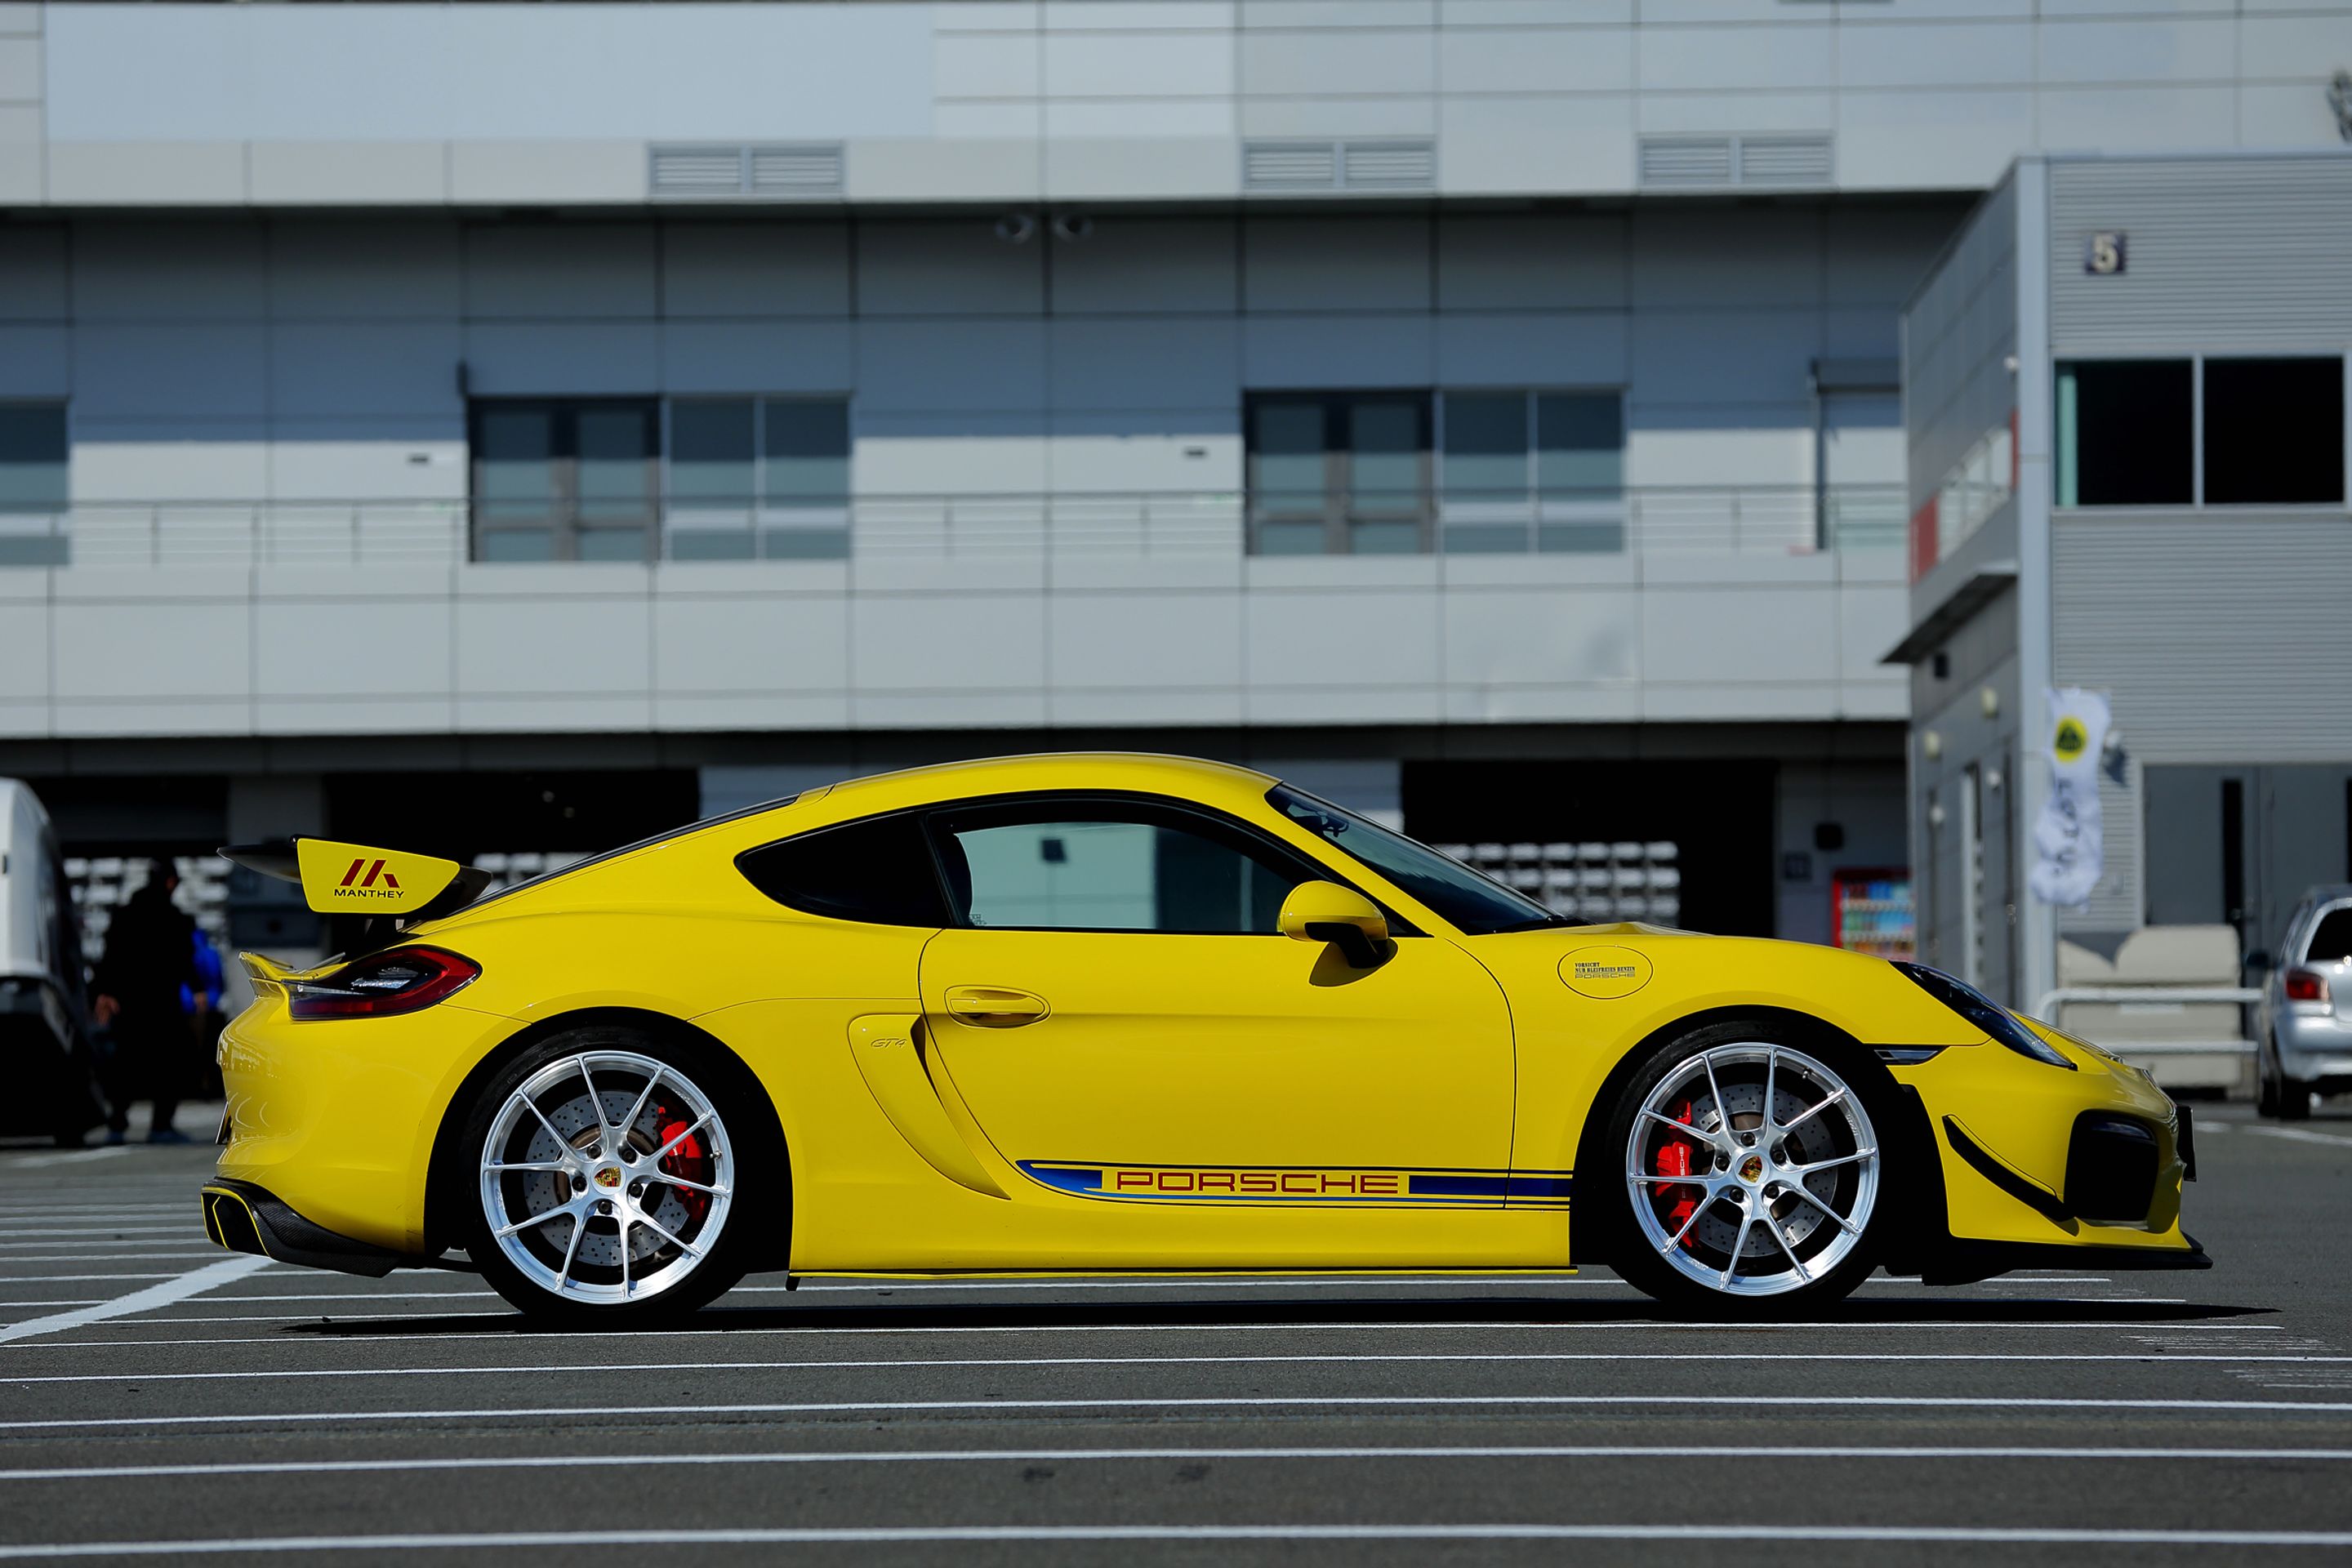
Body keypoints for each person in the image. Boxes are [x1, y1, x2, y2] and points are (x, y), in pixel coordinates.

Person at [92, 859, 207, 1145]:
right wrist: (197, 989)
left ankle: (117, 1124)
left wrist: (104, 992)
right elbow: (184, 959)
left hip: (129, 1003)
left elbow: (110, 956)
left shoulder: (125, 915)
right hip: (162, 1003)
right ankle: (161, 1125)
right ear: (170, 883)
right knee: (168, 1063)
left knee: (126, 1063)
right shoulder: (173, 918)